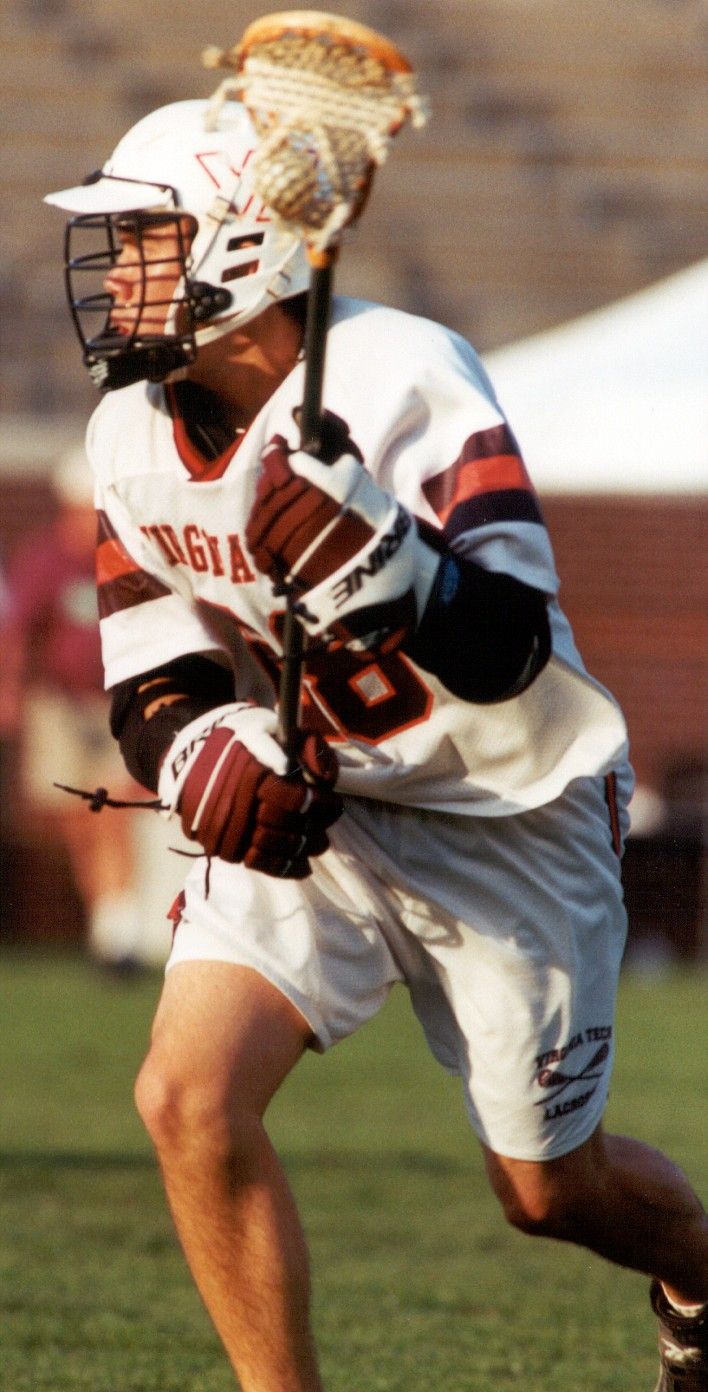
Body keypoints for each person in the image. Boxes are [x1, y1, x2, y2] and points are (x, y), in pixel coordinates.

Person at [45, 95, 707, 1392]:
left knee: (549, 1193)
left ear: (241, 246)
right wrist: (199, 753)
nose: (116, 275)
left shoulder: (405, 376)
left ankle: (700, 1275)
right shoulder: (126, 430)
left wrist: (397, 570)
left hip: (505, 809)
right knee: (185, 1097)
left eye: (144, 242)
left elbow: (509, 645)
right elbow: (151, 672)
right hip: (329, 809)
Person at [2, 446, 184, 970]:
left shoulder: (122, 558)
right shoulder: (44, 561)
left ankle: (118, 929)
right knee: (79, 819)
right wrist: (11, 692)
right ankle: (108, 922)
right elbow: (20, 632)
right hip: (59, 707)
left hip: (111, 706)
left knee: (110, 808)